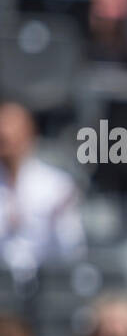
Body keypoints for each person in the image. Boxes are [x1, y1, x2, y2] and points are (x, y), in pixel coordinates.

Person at [0, 100, 86, 280]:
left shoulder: (57, 186)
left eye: (11, 130)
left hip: (44, 287)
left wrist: (59, 220)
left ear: (29, 133)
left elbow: (72, 250)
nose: (5, 134)